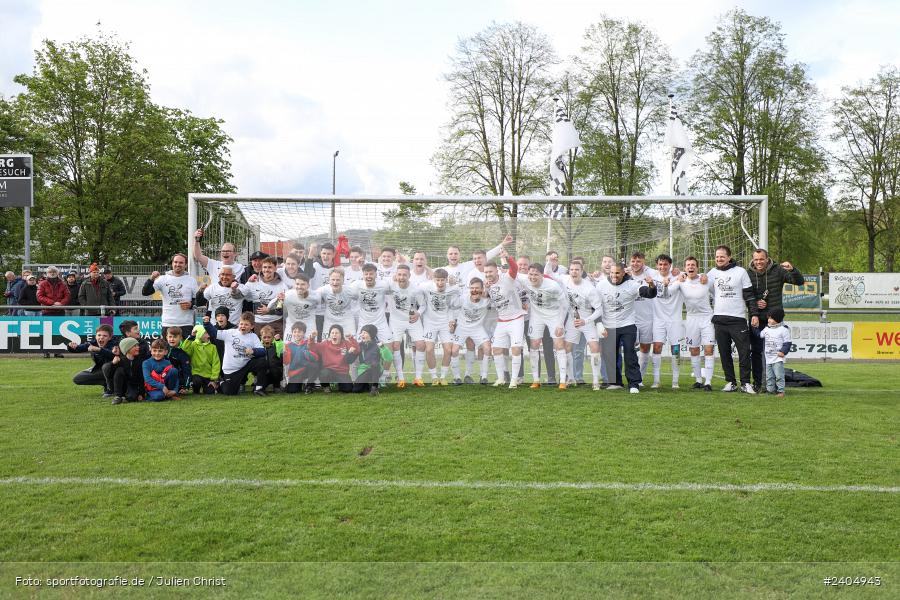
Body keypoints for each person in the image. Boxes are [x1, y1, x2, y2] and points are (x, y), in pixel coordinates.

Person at [748, 248, 804, 392]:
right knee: (756, 352)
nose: (759, 262)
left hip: (775, 321)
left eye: (761, 259)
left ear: (767, 259)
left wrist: (793, 270)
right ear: (753, 260)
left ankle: (773, 386)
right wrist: (756, 304)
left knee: (775, 353)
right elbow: (746, 295)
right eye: (756, 259)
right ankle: (759, 383)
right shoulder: (747, 274)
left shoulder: (778, 270)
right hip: (756, 319)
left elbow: (799, 282)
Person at [596, 264, 658, 393]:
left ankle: (634, 384)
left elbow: (649, 294)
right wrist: (599, 324)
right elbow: (595, 306)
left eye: (617, 273)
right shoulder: (601, 285)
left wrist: (651, 285)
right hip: (608, 326)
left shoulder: (632, 284)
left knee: (630, 354)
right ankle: (615, 382)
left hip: (627, 325)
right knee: (610, 355)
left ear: (624, 273)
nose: (614, 276)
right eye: (612, 273)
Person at [707, 245, 757, 394]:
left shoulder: (741, 272)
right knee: (724, 353)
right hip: (719, 319)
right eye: (717, 257)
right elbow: (698, 281)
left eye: (722, 256)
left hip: (738, 319)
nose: (719, 259)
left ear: (729, 257)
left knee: (744, 352)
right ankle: (731, 382)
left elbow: (749, 295)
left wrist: (753, 314)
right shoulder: (712, 273)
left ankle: (746, 383)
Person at [555, 261, 605, 390]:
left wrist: (585, 321)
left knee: (594, 347)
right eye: (571, 269)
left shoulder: (589, 289)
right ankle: (571, 378)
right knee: (566, 348)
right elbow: (548, 273)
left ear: (582, 271)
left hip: (587, 320)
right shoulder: (565, 280)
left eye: (577, 269)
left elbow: (599, 310)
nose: (574, 272)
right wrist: (550, 262)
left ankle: (595, 381)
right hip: (572, 321)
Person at [523, 263, 569, 389]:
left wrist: (560, 324)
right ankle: (536, 380)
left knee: (559, 344)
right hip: (536, 316)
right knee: (534, 344)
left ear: (542, 275)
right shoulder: (525, 280)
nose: (532, 277)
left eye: (536, 274)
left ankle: (563, 381)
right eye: (530, 274)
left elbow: (564, 304)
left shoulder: (552, 285)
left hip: (554, 315)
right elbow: (510, 275)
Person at [202, 311, 269, 396]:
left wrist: (253, 351)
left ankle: (259, 388)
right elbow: (214, 333)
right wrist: (206, 323)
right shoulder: (230, 333)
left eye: (246, 325)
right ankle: (221, 382)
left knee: (262, 361)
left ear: (252, 326)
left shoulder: (253, 336)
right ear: (238, 324)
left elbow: (263, 352)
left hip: (245, 365)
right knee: (230, 392)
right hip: (231, 370)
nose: (243, 326)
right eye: (241, 324)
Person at [483, 259, 526, 388]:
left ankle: (514, 380)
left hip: (516, 318)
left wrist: (507, 257)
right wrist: (486, 288)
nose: (488, 274)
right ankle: (501, 378)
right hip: (502, 320)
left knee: (516, 349)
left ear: (496, 270)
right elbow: (486, 298)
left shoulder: (507, 277)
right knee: (496, 349)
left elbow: (514, 268)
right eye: (486, 272)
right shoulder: (488, 283)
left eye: (490, 271)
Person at [416, 268, 461, 385]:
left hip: (445, 322)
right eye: (438, 280)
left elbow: (457, 301)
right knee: (429, 349)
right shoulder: (426, 286)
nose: (440, 283)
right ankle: (434, 377)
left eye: (442, 280)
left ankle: (443, 377)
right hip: (430, 322)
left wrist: (454, 283)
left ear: (446, 280)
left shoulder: (453, 288)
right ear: (433, 280)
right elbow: (414, 287)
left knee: (448, 350)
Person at [679, 257, 715, 391]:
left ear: (697, 267)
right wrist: (678, 274)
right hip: (691, 319)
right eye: (688, 265)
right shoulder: (681, 281)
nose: (690, 267)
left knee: (708, 349)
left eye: (693, 265)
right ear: (685, 268)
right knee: (693, 350)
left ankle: (708, 382)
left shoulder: (705, 280)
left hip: (707, 319)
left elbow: (718, 292)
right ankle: (698, 380)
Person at [143, 254, 200, 340]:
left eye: (181, 262)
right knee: (168, 352)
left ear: (185, 265)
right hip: (168, 323)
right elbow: (146, 292)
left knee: (186, 352)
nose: (178, 264)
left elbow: (198, 300)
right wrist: (151, 279)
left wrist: (191, 304)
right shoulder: (163, 279)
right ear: (172, 263)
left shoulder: (191, 280)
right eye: (175, 262)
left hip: (186, 324)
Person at [449, 278, 493, 386]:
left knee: (487, 348)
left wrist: (488, 289)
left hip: (477, 328)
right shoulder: (463, 298)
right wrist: (452, 321)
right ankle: (457, 377)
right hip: (462, 328)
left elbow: (498, 295)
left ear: (482, 289)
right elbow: (451, 307)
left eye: (477, 288)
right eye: (472, 288)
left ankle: (484, 376)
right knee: (454, 350)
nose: (474, 290)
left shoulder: (487, 300)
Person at [650, 255, 684, 389]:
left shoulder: (679, 275)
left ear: (670, 265)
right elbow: (632, 269)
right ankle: (656, 380)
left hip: (675, 319)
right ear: (657, 265)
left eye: (665, 264)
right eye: (660, 264)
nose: (662, 267)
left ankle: (675, 382)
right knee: (657, 346)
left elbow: (693, 274)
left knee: (675, 349)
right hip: (658, 319)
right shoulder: (652, 275)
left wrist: (682, 272)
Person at [238, 256, 288, 337]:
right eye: (264, 267)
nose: (266, 270)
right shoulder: (253, 282)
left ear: (275, 268)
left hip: (276, 322)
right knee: (261, 348)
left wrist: (269, 310)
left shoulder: (282, 286)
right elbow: (240, 295)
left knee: (278, 348)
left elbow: (286, 308)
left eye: (270, 267)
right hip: (259, 323)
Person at [627, 252, 659, 381]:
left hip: (647, 317)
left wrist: (679, 273)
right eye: (633, 261)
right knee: (630, 349)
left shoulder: (651, 273)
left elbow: (666, 271)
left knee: (645, 348)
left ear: (643, 262)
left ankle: (639, 378)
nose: (635, 264)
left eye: (638, 261)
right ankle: (632, 376)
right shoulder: (625, 275)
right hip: (630, 318)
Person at [68, 324, 117, 397]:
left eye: (105, 336)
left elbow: (113, 355)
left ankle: (111, 389)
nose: (101, 337)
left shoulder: (115, 344)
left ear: (110, 337)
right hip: (99, 370)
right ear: (96, 336)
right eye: (99, 335)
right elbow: (78, 349)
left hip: (115, 370)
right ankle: (105, 383)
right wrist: (71, 346)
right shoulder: (92, 343)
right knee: (77, 379)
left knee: (106, 367)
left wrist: (99, 350)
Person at [752, 308, 792, 397]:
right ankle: (770, 391)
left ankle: (781, 391)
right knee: (769, 376)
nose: (769, 320)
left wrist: (783, 352)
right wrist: (754, 327)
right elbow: (759, 335)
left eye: (771, 318)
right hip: (768, 358)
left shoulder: (784, 330)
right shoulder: (766, 329)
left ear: (777, 319)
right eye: (768, 318)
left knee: (779, 375)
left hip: (778, 358)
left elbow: (788, 343)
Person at [309, 324, 359, 393]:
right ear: (330, 335)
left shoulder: (346, 343)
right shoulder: (325, 344)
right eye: (332, 333)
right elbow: (312, 348)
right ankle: (326, 387)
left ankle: (340, 385)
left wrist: (351, 338)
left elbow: (357, 350)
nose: (334, 335)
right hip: (329, 371)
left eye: (337, 333)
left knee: (348, 389)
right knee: (324, 373)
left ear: (341, 335)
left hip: (342, 372)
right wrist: (312, 338)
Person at [181, 324, 220, 395]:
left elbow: (216, 363)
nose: (208, 335)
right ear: (199, 334)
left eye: (208, 333)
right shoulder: (193, 344)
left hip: (208, 375)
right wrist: (192, 336)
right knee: (196, 382)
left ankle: (214, 386)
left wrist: (213, 379)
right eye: (205, 333)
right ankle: (195, 389)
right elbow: (184, 349)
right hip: (196, 373)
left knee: (210, 392)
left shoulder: (213, 347)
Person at [283, 321, 320, 394]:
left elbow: (315, 356)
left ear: (304, 333)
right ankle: (301, 384)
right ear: (292, 333)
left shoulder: (308, 343)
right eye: (295, 332)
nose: (297, 334)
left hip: (306, 369)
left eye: (299, 332)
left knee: (314, 365)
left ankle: (309, 385)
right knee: (292, 391)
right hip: (295, 372)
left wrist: (307, 351)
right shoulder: (288, 345)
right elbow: (286, 361)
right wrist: (284, 354)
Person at [111, 337, 146, 405]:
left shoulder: (140, 361)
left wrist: (141, 393)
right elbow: (110, 374)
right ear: (127, 348)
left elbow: (141, 378)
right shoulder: (120, 360)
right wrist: (113, 364)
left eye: (138, 345)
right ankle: (118, 396)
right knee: (119, 370)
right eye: (135, 346)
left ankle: (125, 397)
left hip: (133, 386)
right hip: (122, 385)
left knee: (132, 397)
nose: (138, 347)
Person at [353, 324, 385, 396]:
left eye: (364, 333)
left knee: (374, 364)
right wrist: (350, 352)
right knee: (356, 389)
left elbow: (389, 358)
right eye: (361, 333)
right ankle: (369, 385)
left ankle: (375, 387)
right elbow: (350, 360)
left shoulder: (378, 344)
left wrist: (383, 347)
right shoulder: (359, 345)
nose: (362, 335)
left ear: (371, 334)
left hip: (376, 369)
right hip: (364, 371)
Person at [163, 327, 192, 394]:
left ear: (180, 338)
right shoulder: (161, 349)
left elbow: (187, 372)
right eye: (170, 337)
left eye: (175, 337)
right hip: (161, 379)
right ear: (166, 337)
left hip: (176, 381)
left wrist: (186, 387)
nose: (172, 339)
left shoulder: (183, 354)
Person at [259, 324, 284, 392]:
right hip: (264, 371)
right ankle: (261, 384)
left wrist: (278, 341)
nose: (267, 339)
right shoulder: (259, 345)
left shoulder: (276, 344)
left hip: (276, 370)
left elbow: (281, 348)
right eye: (264, 337)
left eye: (269, 337)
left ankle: (276, 386)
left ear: (273, 337)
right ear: (261, 337)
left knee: (275, 369)